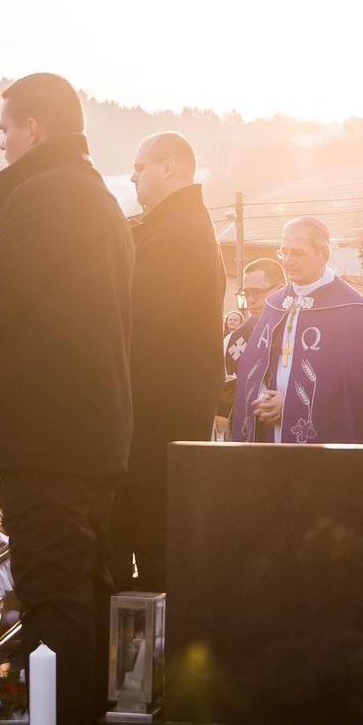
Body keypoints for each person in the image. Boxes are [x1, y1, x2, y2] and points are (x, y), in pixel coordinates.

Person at [0, 72, 132, 725]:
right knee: (82, 581)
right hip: (86, 428)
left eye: (6, 129)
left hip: (50, 432)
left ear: (36, 128)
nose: (1, 141)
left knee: (54, 591)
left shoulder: (49, 195)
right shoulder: (94, 195)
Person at [111, 131, 225, 593]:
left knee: (156, 570)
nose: (134, 177)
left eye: (140, 167)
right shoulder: (166, 227)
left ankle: (150, 663)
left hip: (154, 437)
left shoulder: (179, 235)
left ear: (170, 167)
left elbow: (136, 324)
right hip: (153, 433)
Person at [231, 216, 363, 444]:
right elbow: (254, 365)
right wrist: (262, 397)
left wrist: (290, 405)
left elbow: (358, 389)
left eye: (297, 253)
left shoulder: (351, 310)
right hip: (271, 434)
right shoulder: (275, 304)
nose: (288, 261)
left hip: (326, 446)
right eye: (284, 252)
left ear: (324, 255)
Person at [224, 257, 285, 375]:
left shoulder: (300, 333)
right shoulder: (232, 340)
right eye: (246, 294)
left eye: (257, 292)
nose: (250, 300)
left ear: (280, 290)